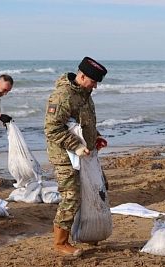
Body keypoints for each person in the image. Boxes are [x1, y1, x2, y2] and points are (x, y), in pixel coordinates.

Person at [44, 56, 108, 256]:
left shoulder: (85, 94)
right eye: (93, 81)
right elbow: (52, 129)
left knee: (93, 191)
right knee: (71, 196)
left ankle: (87, 232)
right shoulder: (63, 96)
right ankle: (60, 242)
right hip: (64, 156)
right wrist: (76, 147)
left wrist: (95, 137)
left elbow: (83, 123)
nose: (95, 86)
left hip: (84, 155)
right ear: (82, 76)